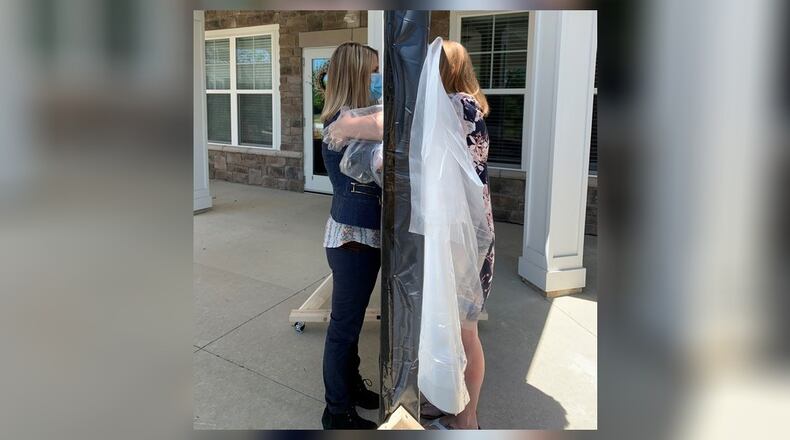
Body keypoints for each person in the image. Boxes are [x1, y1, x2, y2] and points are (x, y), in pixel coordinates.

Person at [422, 39, 495, 430]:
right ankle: (450, 402)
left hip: (465, 230)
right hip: (462, 223)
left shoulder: (457, 106)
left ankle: (468, 418)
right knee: (450, 324)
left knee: (466, 328)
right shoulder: (468, 102)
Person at [319, 41, 383, 430]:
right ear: (358, 75)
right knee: (343, 327)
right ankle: (336, 411)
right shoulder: (341, 126)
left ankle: (352, 386)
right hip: (353, 238)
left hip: (360, 236)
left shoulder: (354, 119)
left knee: (352, 322)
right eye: (373, 71)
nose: (379, 79)